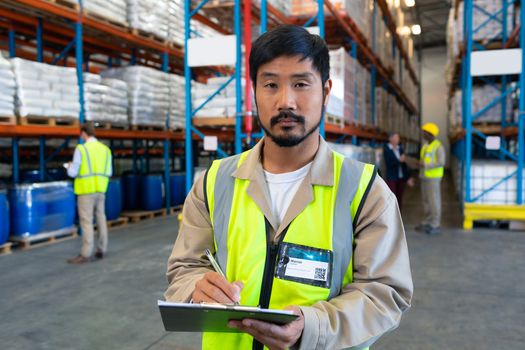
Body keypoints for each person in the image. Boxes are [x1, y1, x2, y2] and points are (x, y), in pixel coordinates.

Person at [165, 25, 413, 349]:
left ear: (325, 91)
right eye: (270, 84)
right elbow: (184, 268)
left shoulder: (364, 191)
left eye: (300, 84)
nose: (286, 102)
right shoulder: (215, 182)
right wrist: (196, 287)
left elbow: (385, 294)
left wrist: (311, 327)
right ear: (254, 91)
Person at [66, 122, 112, 264]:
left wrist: (68, 167)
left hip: (86, 190)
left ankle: (85, 254)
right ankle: (102, 249)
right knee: (101, 219)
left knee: (86, 221)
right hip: (101, 189)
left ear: (83, 133)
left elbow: (73, 172)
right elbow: (109, 172)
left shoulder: (82, 149)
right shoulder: (105, 150)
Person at [416, 122, 445, 235]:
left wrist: (425, 165)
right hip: (424, 176)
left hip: (433, 178)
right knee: (426, 200)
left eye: (425, 132)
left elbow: (441, 162)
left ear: (431, 133)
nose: (423, 134)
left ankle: (435, 223)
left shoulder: (438, 147)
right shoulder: (425, 145)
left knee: (434, 200)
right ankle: (428, 221)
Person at [382, 132, 412, 209]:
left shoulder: (400, 149)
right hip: (392, 177)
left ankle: (398, 215)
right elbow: (389, 164)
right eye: (395, 138)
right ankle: (392, 216)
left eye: (398, 138)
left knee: (399, 197)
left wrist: (408, 178)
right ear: (390, 139)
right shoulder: (387, 149)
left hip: (400, 177)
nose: (397, 139)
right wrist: (399, 160)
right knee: (392, 198)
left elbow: (404, 165)